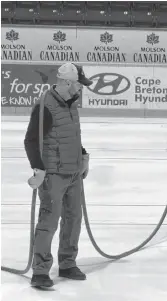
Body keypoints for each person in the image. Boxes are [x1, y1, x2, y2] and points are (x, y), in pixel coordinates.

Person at [23, 62, 93, 288]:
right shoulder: (45, 106)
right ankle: (40, 271)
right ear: (66, 82)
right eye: (79, 84)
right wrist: (38, 168)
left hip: (73, 173)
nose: (81, 89)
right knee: (49, 222)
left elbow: (70, 136)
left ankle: (67, 263)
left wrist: (83, 155)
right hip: (54, 175)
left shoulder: (72, 105)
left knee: (73, 220)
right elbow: (31, 141)